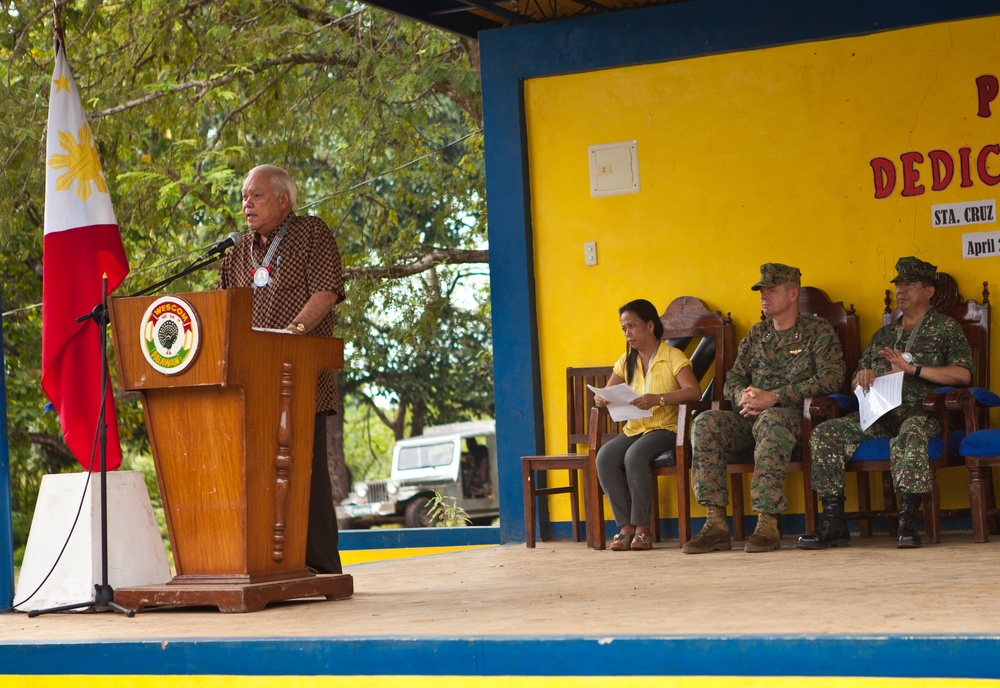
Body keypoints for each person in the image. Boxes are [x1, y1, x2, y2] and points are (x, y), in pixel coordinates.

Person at [218, 164, 346, 574]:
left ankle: (321, 570)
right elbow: (224, 313)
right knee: (257, 476)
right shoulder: (236, 252)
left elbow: (326, 290)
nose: (247, 204)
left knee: (305, 475)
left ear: (283, 199)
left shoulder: (311, 233)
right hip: (252, 382)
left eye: (256, 195)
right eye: (244, 197)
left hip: (300, 377)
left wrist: (294, 332)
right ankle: (266, 567)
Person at [798, 257, 974, 550]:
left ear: (928, 291)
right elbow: (855, 381)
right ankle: (834, 523)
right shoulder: (884, 334)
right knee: (825, 434)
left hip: (922, 412)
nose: (900, 290)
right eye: (898, 285)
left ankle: (907, 521)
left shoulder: (945, 328)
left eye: (909, 285)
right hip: (878, 415)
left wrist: (914, 370)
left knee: (913, 431)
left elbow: (963, 374)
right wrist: (862, 377)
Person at [682, 263, 845, 555]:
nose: (763, 295)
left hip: (794, 417)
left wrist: (775, 397)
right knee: (705, 422)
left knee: (772, 419)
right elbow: (733, 379)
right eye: (761, 290)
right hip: (749, 416)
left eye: (771, 290)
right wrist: (744, 396)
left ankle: (767, 523)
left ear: (793, 293)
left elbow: (831, 378)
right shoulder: (757, 334)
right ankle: (715, 524)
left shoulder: (817, 331)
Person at [594, 299, 702, 551]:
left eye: (632, 326)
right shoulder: (626, 361)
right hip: (635, 428)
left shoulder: (673, 356)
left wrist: (658, 399)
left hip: (666, 428)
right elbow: (607, 391)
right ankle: (626, 527)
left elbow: (693, 391)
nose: (627, 333)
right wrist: (600, 398)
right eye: (624, 328)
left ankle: (643, 529)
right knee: (605, 457)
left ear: (650, 326)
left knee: (634, 455)